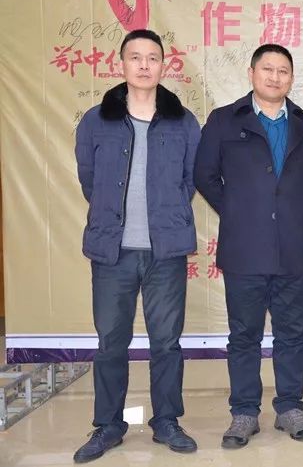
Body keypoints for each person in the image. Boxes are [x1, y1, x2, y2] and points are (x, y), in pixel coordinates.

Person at [74, 28, 200, 463]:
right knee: (111, 341)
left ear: (164, 65)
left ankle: (166, 421)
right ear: (122, 63)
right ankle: (109, 425)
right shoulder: (97, 120)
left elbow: (190, 180)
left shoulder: (183, 121)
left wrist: (167, 216)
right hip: (113, 252)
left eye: (152, 58)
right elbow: (89, 179)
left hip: (165, 251)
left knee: (166, 341)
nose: (144, 65)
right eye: (136, 57)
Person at [194, 44, 303, 448]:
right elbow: (204, 174)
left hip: (294, 247)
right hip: (244, 248)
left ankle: (290, 408)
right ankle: (244, 412)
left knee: (291, 333)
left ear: (291, 78)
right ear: (251, 73)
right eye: (268, 69)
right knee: (244, 335)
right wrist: (237, 210)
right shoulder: (224, 120)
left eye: (283, 71)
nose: (275, 77)